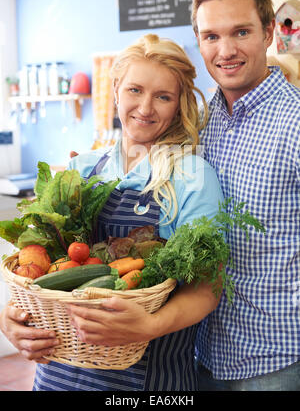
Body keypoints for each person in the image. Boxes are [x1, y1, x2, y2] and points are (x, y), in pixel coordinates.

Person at [0, 34, 224, 391]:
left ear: (179, 103)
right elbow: (39, 265)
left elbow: (207, 288)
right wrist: (9, 319)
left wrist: (149, 326)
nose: (146, 108)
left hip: (147, 379)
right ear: (116, 89)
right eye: (135, 90)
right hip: (58, 374)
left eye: (163, 96)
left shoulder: (193, 178)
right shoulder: (83, 168)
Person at [191, 0, 300, 391]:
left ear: (269, 32)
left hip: (277, 361)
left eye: (241, 32)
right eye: (211, 36)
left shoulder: (294, 122)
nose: (226, 50)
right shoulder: (200, 122)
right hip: (202, 353)